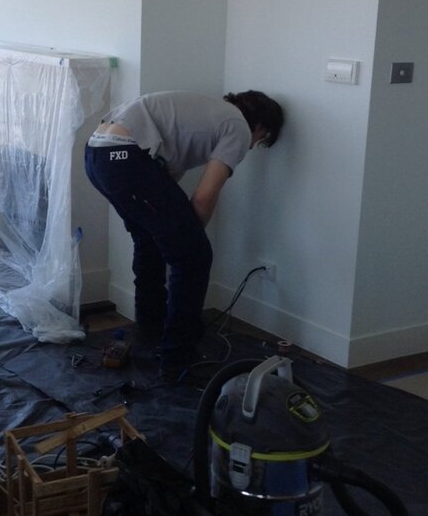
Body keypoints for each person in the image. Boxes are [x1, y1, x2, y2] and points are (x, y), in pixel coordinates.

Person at [84, 89, 284, 378]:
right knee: (194, 257)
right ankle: (177, 358)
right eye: (261, 139)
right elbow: (203, 197)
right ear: (261, 125)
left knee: (150, 242)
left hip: (98, 155)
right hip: (125, 157)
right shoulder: (238, 126)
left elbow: (162, 186)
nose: (252, 147)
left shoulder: (207, 113)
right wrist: (190, 241)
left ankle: (150, 333)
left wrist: (178, 235)